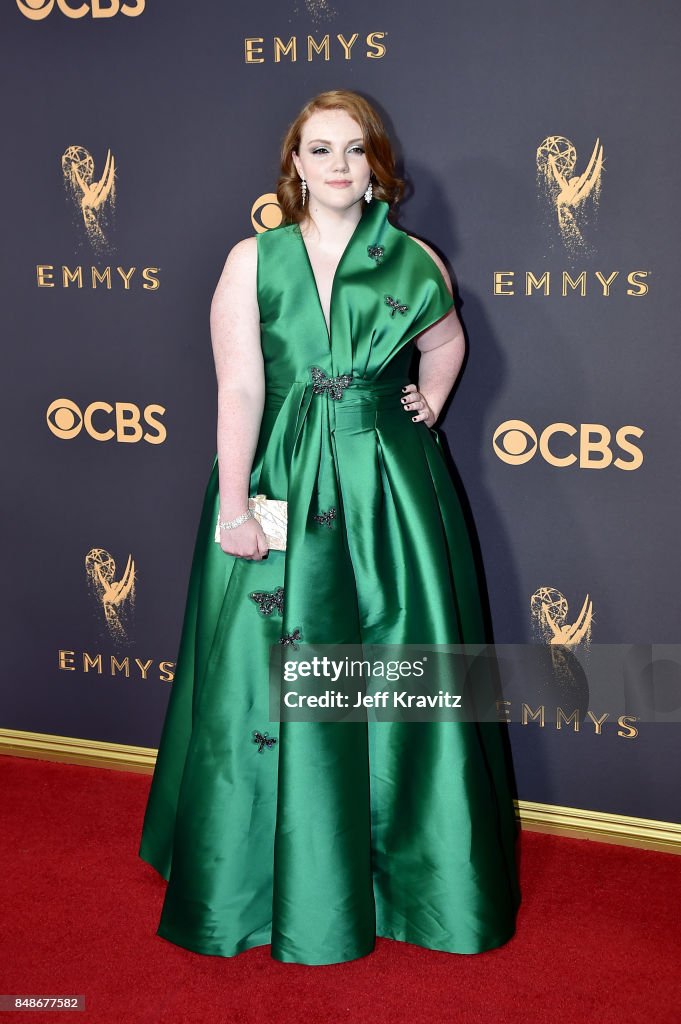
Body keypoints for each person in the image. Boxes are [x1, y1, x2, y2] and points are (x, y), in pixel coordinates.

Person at [139, 89, 521, 965]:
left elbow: (447, 338)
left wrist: (433, 397)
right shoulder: (252, 261)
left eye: (354, 150)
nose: (338, 167)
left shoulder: (414, 259)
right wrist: (235, 506)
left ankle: (409, 879)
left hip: (391, 485)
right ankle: (260, 882)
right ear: (294, 165)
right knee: (267, 676)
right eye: (320, 151)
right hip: (281, 477)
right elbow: (238, 388)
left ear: (376, 163)